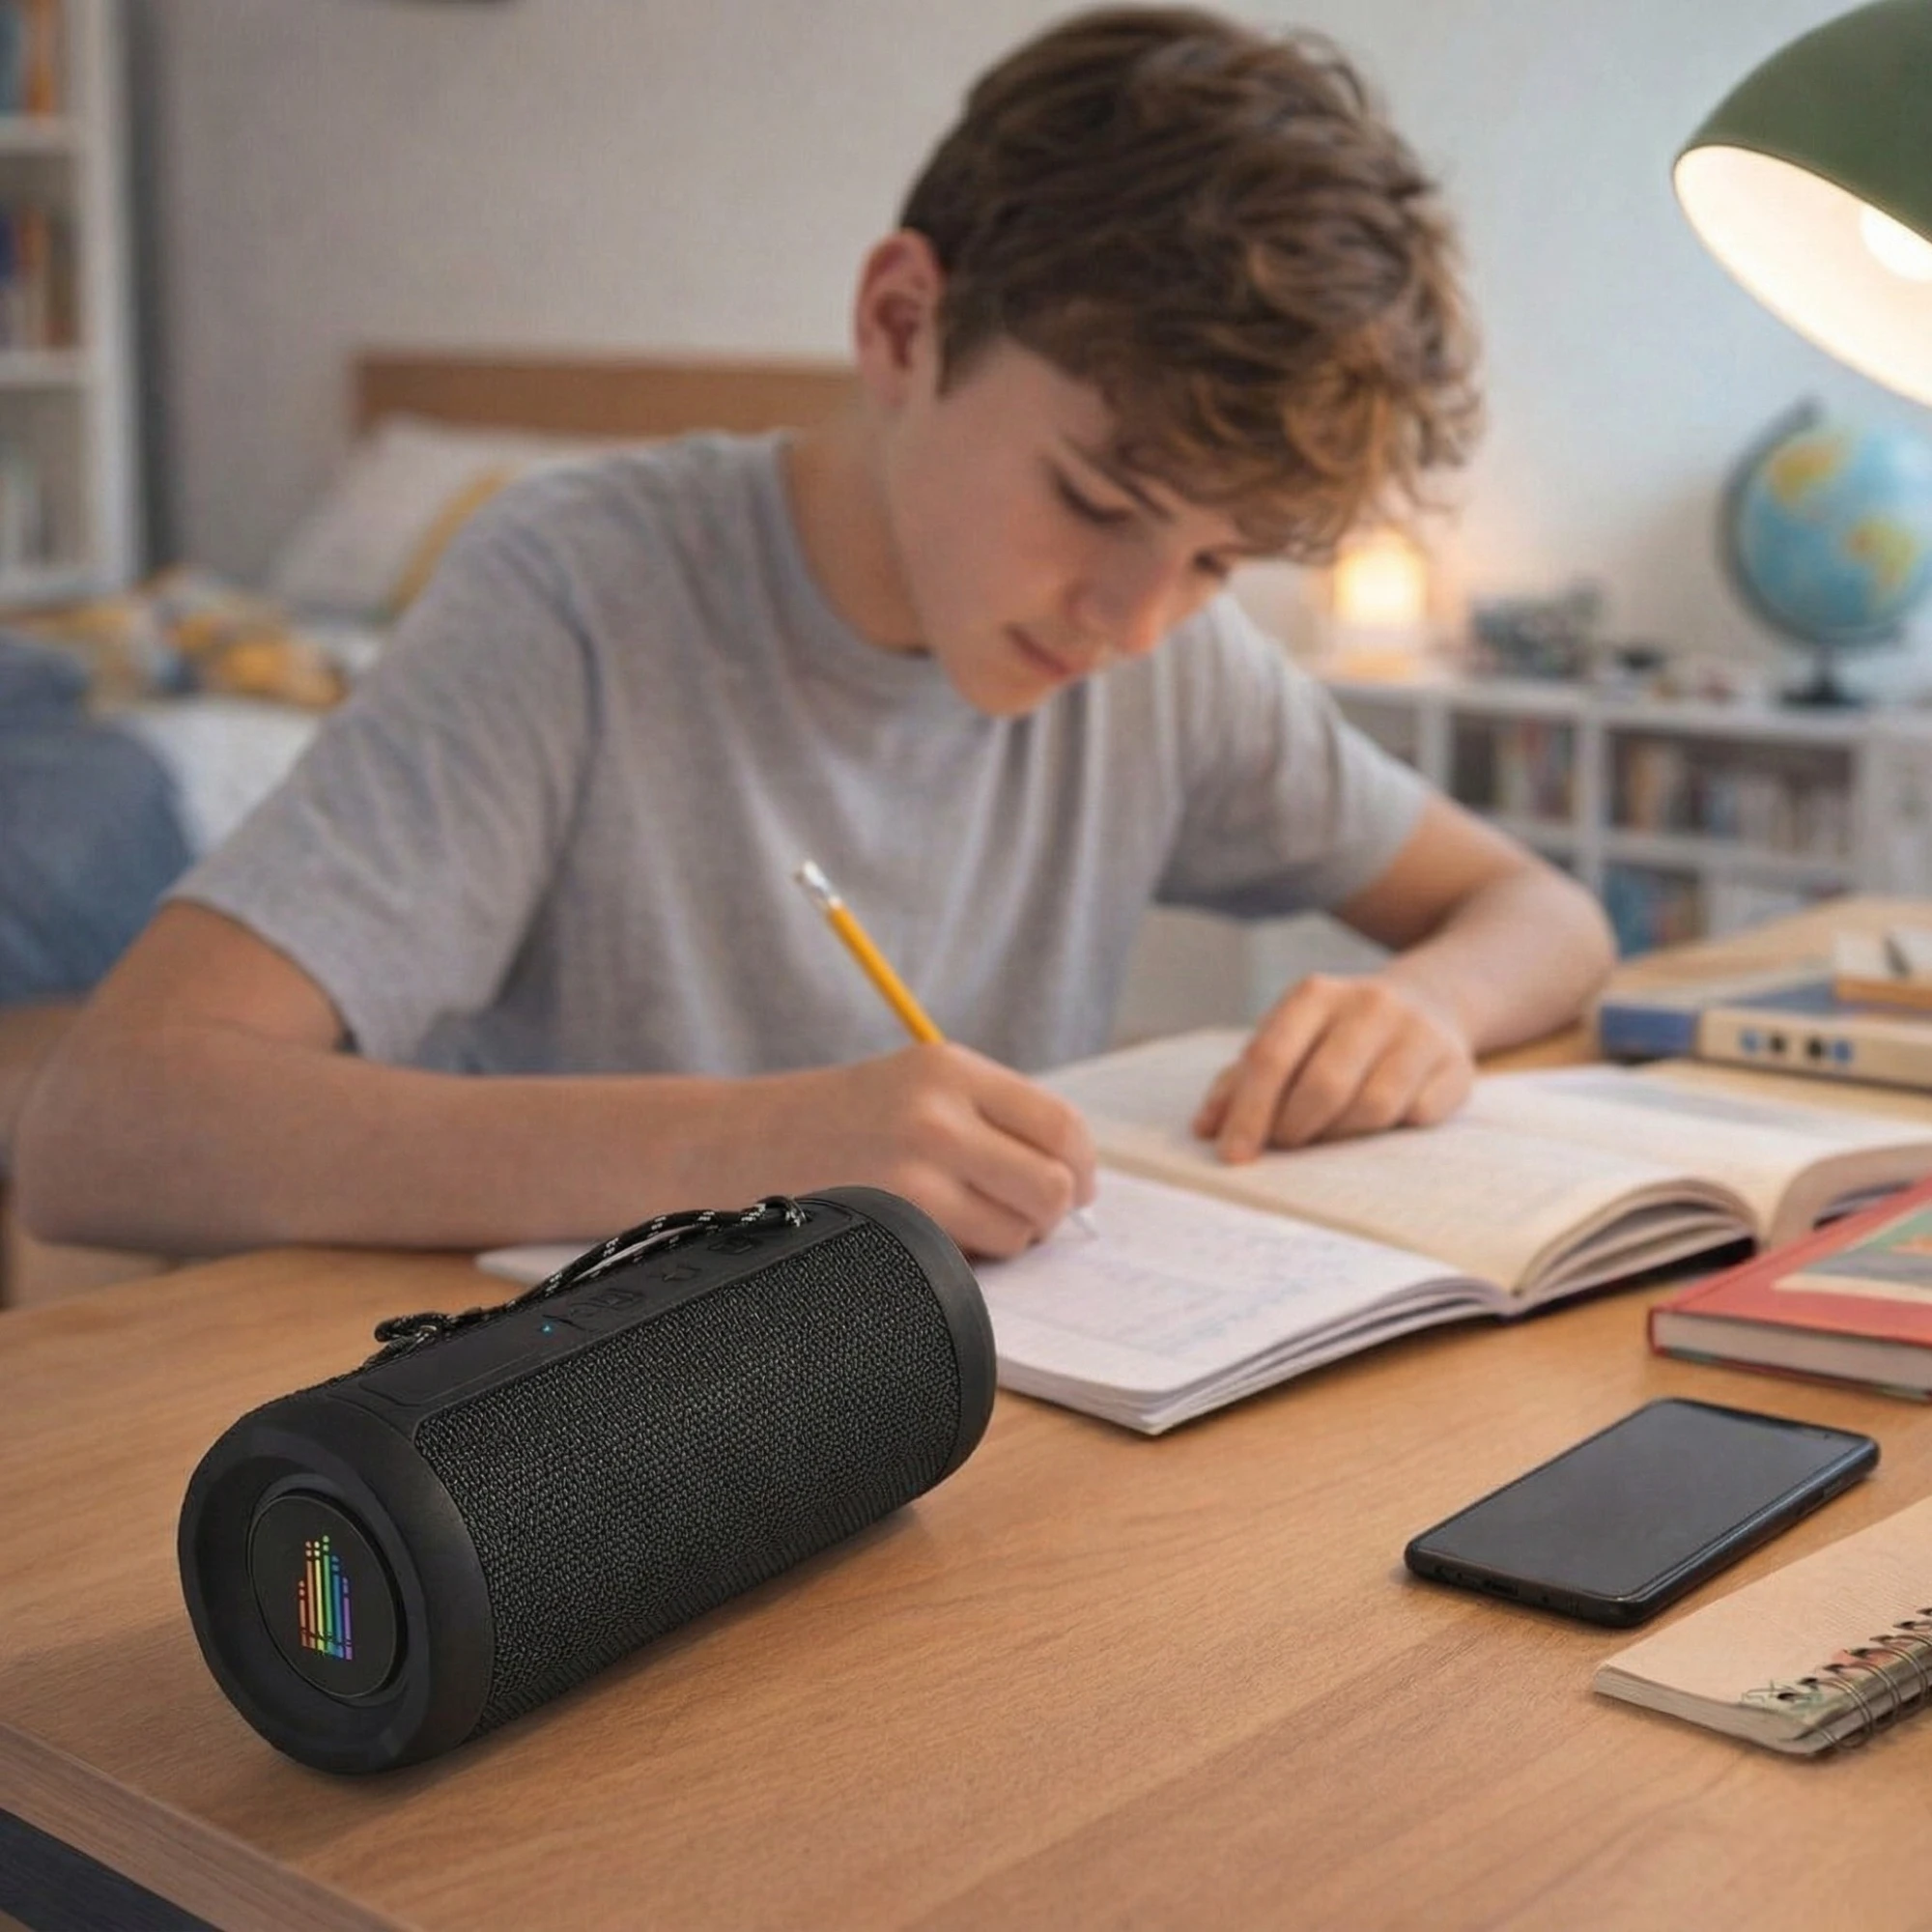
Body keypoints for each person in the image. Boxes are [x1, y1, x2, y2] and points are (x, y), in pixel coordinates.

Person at [17, 6, 1613, 1264]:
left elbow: (1539, 913)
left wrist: (1427, 1009)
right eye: (1098, 496)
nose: (1135, 620)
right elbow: (109, 1132)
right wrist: (750, 1150)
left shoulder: (1172, 667)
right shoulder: (580, 596)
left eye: (1219, 560)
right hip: (574, 1451)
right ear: (904, 325)